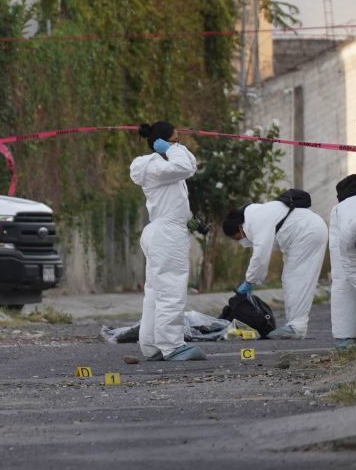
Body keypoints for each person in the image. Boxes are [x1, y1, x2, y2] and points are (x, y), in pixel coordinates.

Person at [130, 120, 205, 363]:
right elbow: (187, 165)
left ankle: (151, 344)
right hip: (166, 234)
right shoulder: (157, 166)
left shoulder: (160, 166)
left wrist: (170, 147)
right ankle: (172, 345)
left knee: (155, 291)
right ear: (161, 142)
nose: (179, 145)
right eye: (176, 140)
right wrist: (170, 147)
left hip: (161, 232)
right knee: (171, 289)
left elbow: (186, 166)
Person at [223, 192, 328, 339]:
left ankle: (296, 327)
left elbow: (260, 254)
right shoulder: (256, 214)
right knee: (292, 279)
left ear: (240, 227)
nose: (242, 240)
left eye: (238, 237)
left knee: (296, 279)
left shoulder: (256, 219)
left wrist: (249, 280)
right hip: (307, 232)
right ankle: (294, 325)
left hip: (306, 232)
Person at [329, 173, 356, 348]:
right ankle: (344, 339)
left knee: (342, 279)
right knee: (344, 275)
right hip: (347, 223)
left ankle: (345, 338)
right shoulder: (348, 227)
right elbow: (350, 262)